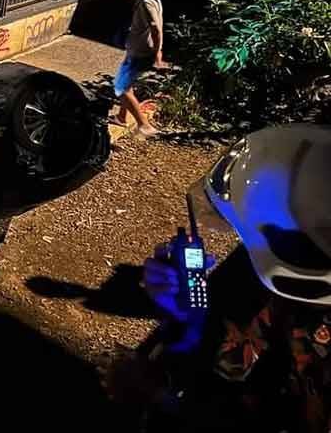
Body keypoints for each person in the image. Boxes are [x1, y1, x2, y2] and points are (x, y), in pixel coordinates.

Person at [110, 125, 331, 431]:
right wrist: (185, 318)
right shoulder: (300, 297)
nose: (245, 251)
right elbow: (235, 361)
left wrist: (163, 397)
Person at [113, 0, 163, 137]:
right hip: (137, 49)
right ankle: (121, 116)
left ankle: (144, 125)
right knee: (128, 84)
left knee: (121, 87)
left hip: (140, 52)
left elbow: (156, 29)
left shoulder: (146, 3)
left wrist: (157, 52)